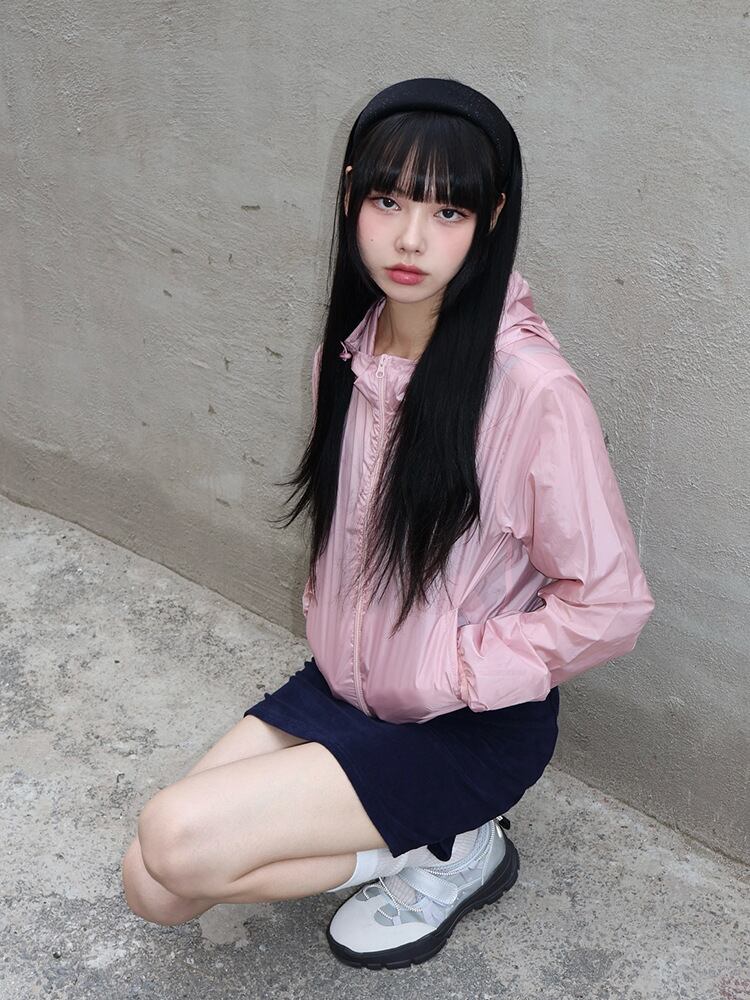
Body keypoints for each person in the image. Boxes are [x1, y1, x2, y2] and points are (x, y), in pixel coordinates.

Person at [122, 76, 656, 971]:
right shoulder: (357, 348)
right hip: (347, 690)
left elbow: (610, 605)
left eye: (448, 212)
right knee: (153, 885)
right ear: (350, 198)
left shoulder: (532, 392)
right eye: (388, 201)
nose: (411, 239)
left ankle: (452, 846)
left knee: (176, 840)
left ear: (491, 220)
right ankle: (422, 840)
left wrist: (450, 668)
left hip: (462, 721)